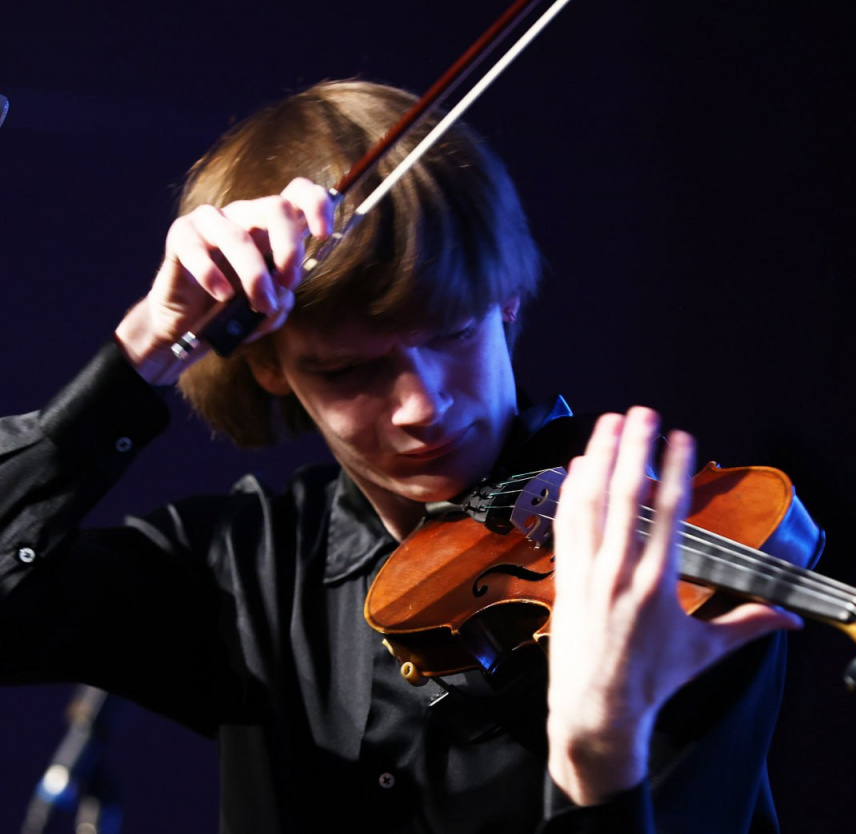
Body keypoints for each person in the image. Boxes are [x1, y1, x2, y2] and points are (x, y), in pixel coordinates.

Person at [0, 80, 808, 832]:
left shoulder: (663, 567)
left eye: (454, 334)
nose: (422, 406)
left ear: (506, 301)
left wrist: (601, 763)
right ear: (270, 366)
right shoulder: (244, 573)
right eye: (350, 369)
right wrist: (152, 338)